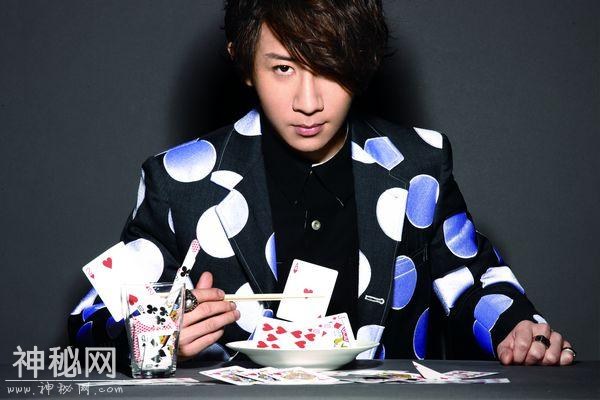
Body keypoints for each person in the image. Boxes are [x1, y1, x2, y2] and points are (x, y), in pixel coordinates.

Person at [69, 0, 575, 366]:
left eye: (329, 67)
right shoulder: (181, 179)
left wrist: (517, 330)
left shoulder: (418, 164)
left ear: (361, 63)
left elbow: (472, 280)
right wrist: (154, 335)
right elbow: (91, 317)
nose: (308, 102)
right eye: (283, 68)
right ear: (244, 64)